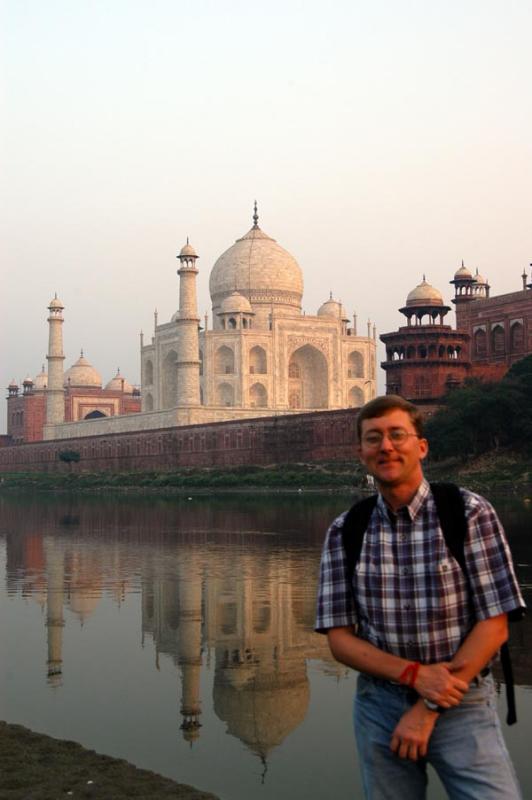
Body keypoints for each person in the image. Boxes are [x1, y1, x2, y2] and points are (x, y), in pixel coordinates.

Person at [315, 395, 525, 800]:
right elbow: (339, 640)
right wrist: (413, 676)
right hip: (380, 705)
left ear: (422, 446)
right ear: (360, 452)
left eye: (397, 435)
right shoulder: (346, 530)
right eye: (373, 439)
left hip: (462, 702)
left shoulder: (468, 512)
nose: (386, 447)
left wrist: (428, 706)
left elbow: (495, 626)